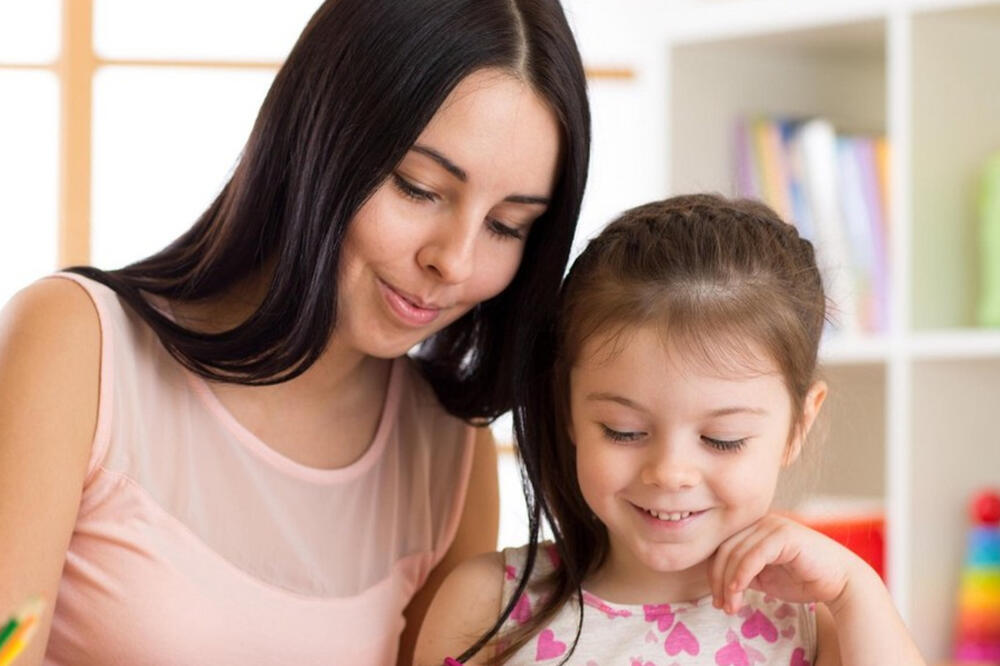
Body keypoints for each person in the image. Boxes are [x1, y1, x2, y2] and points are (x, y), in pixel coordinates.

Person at [0, 0, 590, 664]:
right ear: (319, 136)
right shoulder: (79, 344)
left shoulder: (445, 447)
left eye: (506, 225)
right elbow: (5, 638)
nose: (453, 260)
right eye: (418, 188)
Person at [415, 194, 926, 665]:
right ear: (569, 409)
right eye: (623, 430)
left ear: (799, 425)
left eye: (721, 439)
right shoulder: (490, 603)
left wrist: (857, 589)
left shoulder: (818, 618)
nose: (670, 473)